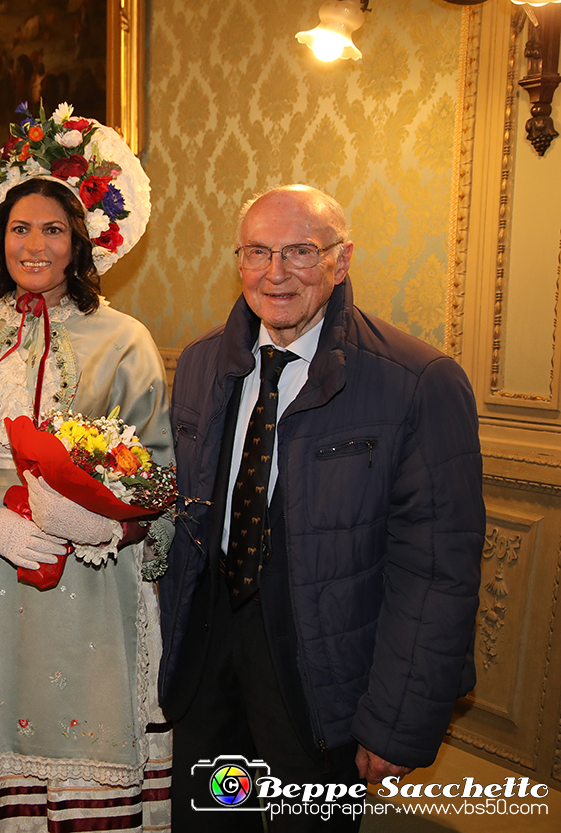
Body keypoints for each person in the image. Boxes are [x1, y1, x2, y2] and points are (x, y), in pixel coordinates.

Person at [160, 185, 483, 830]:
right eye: (258, 252)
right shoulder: (200, 365)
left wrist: (396, 719)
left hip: (320, 676)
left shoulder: (416, 381)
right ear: (240, 261)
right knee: (211, 818)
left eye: (301, 251)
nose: (276, 273)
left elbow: (438, 570)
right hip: (211, 662)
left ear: (342, 259)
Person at [0, 104, 173, 830]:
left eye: (54, 228)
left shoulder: (126, 340)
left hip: (93, 591)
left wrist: (104, 526)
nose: (35, 243)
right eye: (21, 227)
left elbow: (157, 474)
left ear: (81, 242)